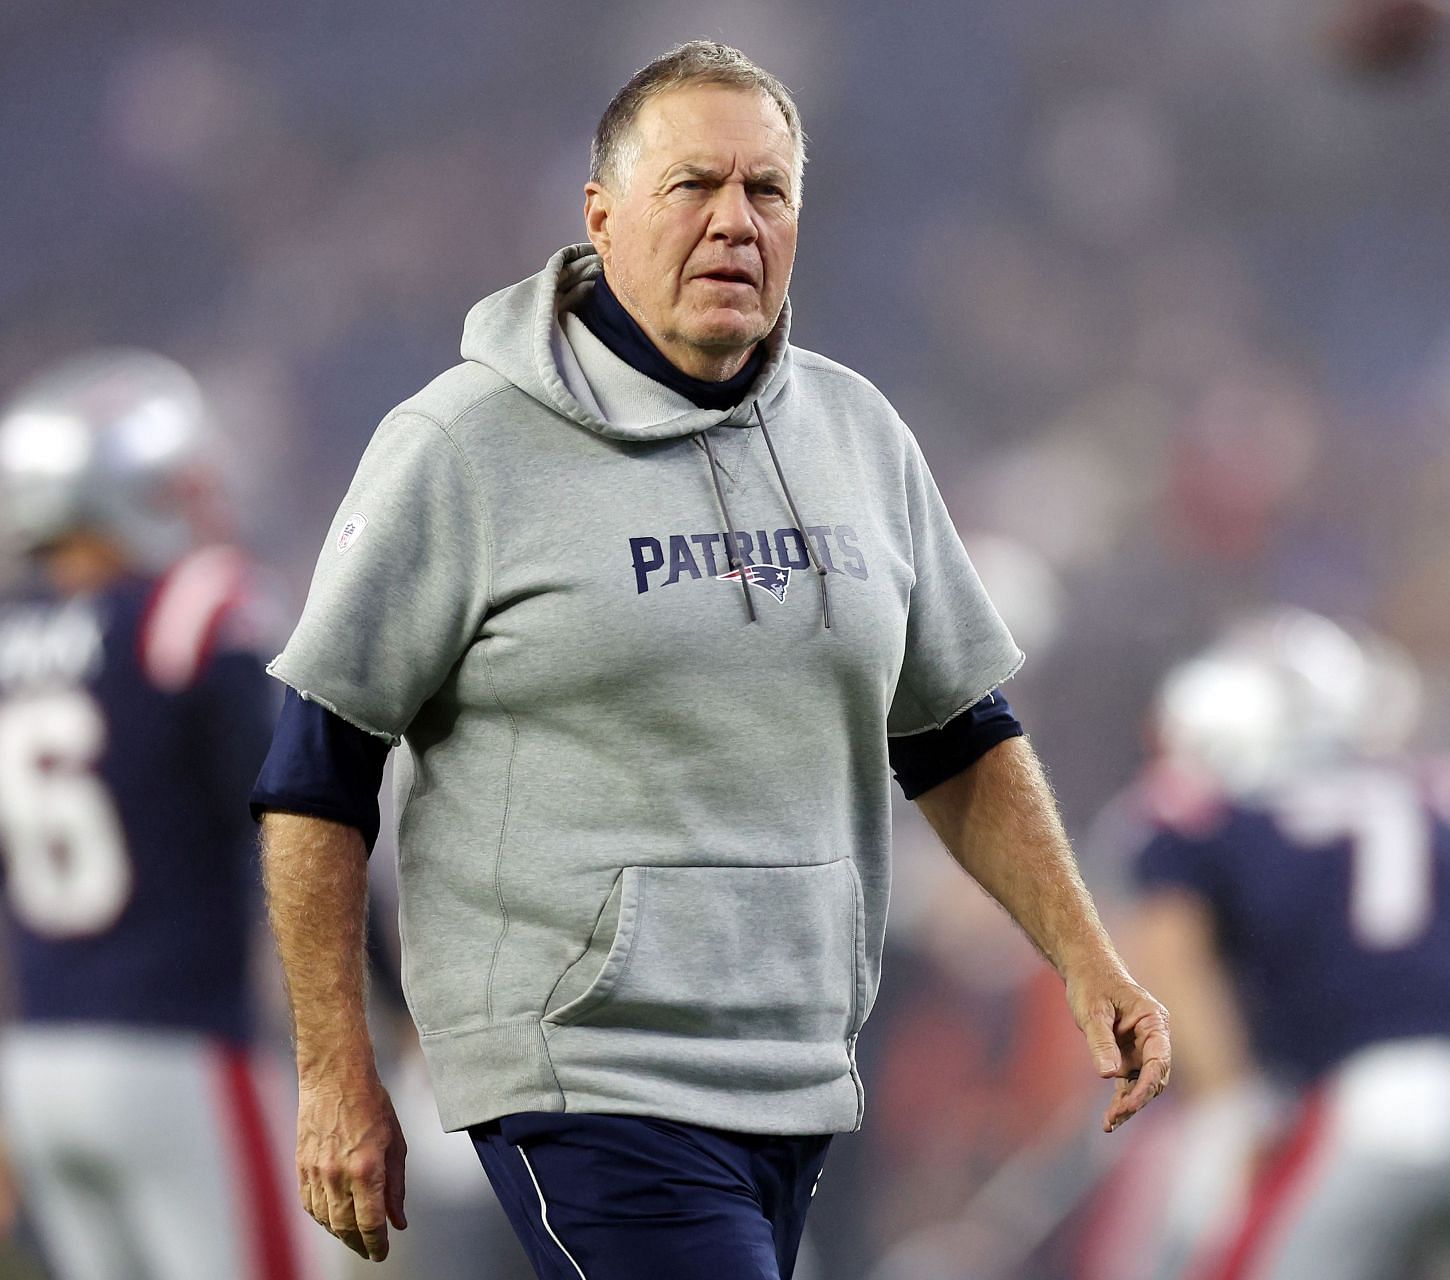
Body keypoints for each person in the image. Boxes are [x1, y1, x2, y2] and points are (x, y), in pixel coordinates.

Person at [250, 40, 1171, 1280]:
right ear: (602, 216)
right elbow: (316, 767)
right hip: (583, 1068)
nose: (735, 222)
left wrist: (1086, 956)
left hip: (797, 1070)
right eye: (694, 187)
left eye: (768, 192)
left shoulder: (859, 433)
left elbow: (957, 731)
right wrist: (334, 1068)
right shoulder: (458, 445)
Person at [1113, 610, 1450, 1280]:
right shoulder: (1444, 790)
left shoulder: (1203, 811)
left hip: (1373, 1107)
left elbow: (1169, 963)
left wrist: (1228, 1110)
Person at [0, 350, 306, 1280]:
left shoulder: (10, 642)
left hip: (38, 1065)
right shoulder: (193, 611)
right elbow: (297, 821)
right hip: (181, 1054)